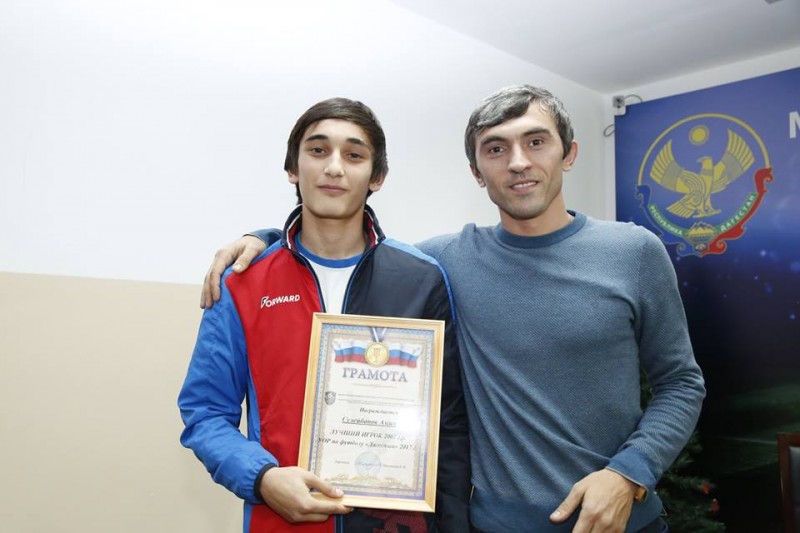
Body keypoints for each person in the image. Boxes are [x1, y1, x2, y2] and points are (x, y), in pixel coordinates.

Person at [200, 86, 706, 533]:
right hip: (492, 524)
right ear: (476, 171)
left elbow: (682, 383)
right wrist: (264, 241)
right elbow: (339, 241)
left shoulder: (633, 252)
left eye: (536, 141)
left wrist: (628, 474)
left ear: (569, 153)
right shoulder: (444, 262)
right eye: (496, 148)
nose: (517, 162)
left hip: (619, 521)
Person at [179, 98, 470, 533]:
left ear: (377, 177)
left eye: (354, 155)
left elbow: (448, 424)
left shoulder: (421, 278)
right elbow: (205, 412)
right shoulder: (242, 283)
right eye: (318, 150)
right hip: (283, 521)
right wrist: (262, 477)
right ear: (293, 168)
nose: (334, 167)